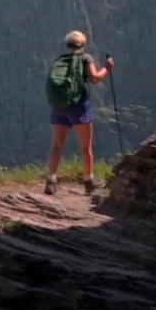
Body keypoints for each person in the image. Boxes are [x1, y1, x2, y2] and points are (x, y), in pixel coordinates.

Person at [44, 30, 114, 196]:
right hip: (79, 106)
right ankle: (88, 181)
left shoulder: (61, 60)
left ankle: (51, 180)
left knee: (56, 145)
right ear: (82, 44)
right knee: (85, 146)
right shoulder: (86, 58)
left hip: (59, 106)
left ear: (68, 44)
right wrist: (107, 67)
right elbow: (95, 78)